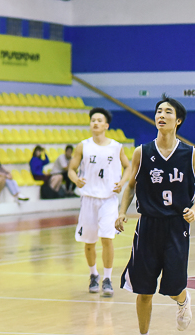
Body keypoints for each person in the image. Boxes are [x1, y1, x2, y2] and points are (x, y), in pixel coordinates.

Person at [116, 96, 195, 334]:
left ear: (178, 120)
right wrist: (122, 212)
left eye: (168, 112)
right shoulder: (142, 152)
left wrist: (194, 210)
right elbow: (131, 186)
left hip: (177, 226)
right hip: (148, 225)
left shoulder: (190, 154)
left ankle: (183, 300)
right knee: (144, 291)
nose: (161, 115)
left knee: (173, 287)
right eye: (158, 111)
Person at [68, 107, 130, 297]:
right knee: (89, 242)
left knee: (107, 239)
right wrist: (75, 179)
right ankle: (93, 274)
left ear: (106, 125)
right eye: (93, 120)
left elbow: (128, 167)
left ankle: (107, 278)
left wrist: (122, 182)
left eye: (99, 120)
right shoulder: (82, 146)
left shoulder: (116, 146)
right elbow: (71, 169)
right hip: (88, 199)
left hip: (109, 199)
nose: (95, 123)